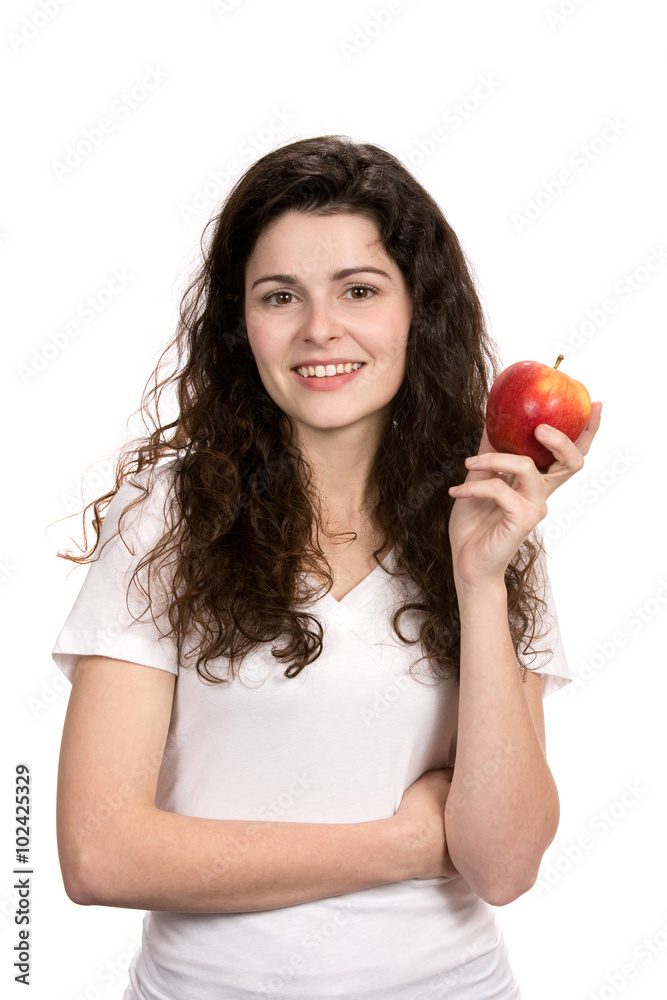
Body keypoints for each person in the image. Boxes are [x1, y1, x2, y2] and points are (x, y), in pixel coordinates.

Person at [52, 134, 602, 1000]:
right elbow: (98, 852)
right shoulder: (167, 518)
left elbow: (501, 864)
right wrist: (406, 844)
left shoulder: (490, 520)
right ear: (242, 323)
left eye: (359, 290)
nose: (320, 330)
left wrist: (479, 580)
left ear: (418, 309)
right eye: (281, 296)